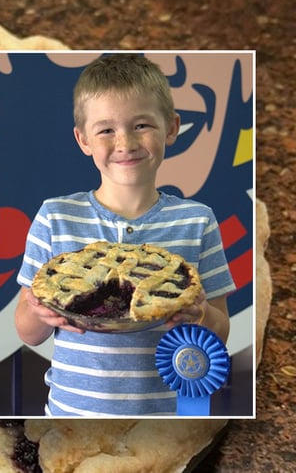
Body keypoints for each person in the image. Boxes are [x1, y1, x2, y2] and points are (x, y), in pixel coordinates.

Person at [14, 54, 234, 416]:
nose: (125, 142)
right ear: (83, 139)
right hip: (72, 413)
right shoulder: (56, 216)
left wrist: (201, 314)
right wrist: (41, 313)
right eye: (106, 130)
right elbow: (27, 332)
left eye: (142, 125)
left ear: (172, 128)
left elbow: (220, 331)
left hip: (162, 418)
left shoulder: (197, 221)